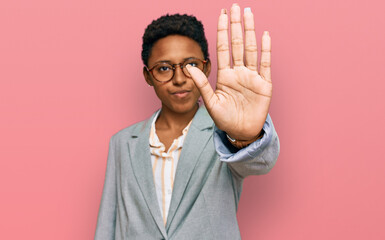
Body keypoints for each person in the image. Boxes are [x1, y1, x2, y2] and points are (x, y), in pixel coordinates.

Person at [95, 3, 280, 240]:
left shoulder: (224, 133)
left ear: (207, 67)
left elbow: (259, 163)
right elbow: (107, 225)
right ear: (148, 76)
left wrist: (247, 136)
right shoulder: (122, 143)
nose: (180, 79)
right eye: (164, 68)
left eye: (191, 65)